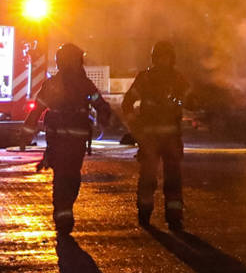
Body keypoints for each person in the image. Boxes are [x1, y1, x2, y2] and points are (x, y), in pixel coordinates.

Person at [24, 44, 110, 236]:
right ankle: (64, 213)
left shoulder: (56, 84)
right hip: (73, 140)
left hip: (60, 139)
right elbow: (100, 104)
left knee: (64, 177)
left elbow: (37, 109)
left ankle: (63, 213)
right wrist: (105, 116)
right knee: (70, 176)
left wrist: (26, 132)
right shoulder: (83, 84)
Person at [121, 40, 192, 230]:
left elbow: (191, 101)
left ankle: (174, 215)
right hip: (150, 140)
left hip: (169, 139)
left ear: (172, 59)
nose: (163, 61)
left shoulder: (177, 79)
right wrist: (134, 127)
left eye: (166, 58)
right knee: (148, 177)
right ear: (155, 58)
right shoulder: (146, 78)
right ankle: (144, 212)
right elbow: (128, 102)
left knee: (173, 179)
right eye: (161, 58)